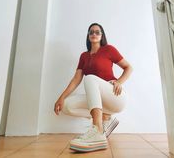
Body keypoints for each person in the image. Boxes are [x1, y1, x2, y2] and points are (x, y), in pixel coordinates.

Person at [54, 23, 133, 152]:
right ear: (88, 36)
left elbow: (128, 67)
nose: (94, 34)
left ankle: (97, 130)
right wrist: (61, 98)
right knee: (67, 106)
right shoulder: (84, 56)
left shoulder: (109, 49)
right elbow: (76, 80)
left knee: (90, 78)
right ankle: (105, 119)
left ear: (102, 36)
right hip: (99, 100)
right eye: (91, 32)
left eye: (97, 32)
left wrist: (119, 82)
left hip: (115, 96)